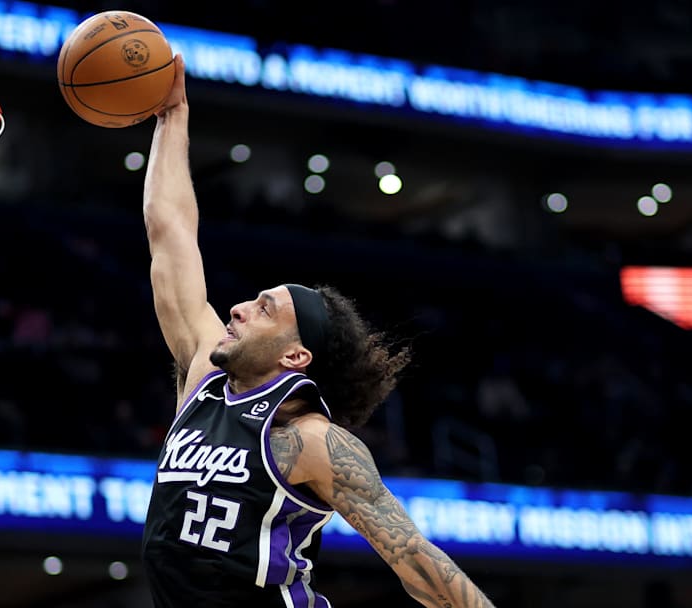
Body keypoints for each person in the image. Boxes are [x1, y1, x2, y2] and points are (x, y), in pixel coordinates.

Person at [139, 54, 497, 608]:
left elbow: (415, 559)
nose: (236, 309)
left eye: (264, 309)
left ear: (295, 356)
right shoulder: (204, 378)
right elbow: (170, 233)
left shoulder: (311, 439)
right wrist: (172, 116)